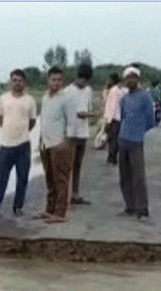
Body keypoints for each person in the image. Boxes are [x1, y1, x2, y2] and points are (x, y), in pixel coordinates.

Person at [0, 69, 37, 217]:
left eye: (20, 81)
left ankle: (18, 206)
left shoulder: (30, 100)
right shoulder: (3, 98)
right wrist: (9, 133)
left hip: (23, 145)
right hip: (6, 145)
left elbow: (32, 121)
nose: (17, 83)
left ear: (24, 83)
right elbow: (1, 119)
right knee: (0, 178)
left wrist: (21, 132)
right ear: (10, 82)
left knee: (22, 177)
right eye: (14, 80)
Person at [37, 66, 77, 224]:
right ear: (48, 80)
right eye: (53, 79)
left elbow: (72, 122)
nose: (56, 83)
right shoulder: (45, 97)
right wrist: (41, 141)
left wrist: (66, 143)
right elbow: (44, 121)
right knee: (49, 179)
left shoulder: (67, 98)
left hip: (60, 144)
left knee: (61, 179)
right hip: (46, 143)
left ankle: (60, 212)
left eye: (59, 80)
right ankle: (49, 209)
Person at [117, 66, 156, 220]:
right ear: (125, 80)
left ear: (138, 79)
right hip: (123, 140)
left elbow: (151, 120)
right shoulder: (124, 99)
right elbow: (123, 117)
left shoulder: (145, 97)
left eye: (133, 77)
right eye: (128, 78)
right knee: (124, 177)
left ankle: (142, 210)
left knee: (138, 177)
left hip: (136, 141)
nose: (130, 80)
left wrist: (139, 131)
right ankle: (130, 206)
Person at [64, 63, 94, 205]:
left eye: (86, 81)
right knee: (67, 165)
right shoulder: (67, 91)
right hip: (70, 133)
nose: (84, 83)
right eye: (82, 80)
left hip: (83, 132)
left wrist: (87, 115)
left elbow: (88, 108)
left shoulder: (88, 91)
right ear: (77, 77)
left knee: (78, 164)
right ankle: (63, 195)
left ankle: (75, 194)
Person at [102, 73, 126, 165]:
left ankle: (112, 158)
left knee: (112, 139)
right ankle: (113, 157)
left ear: (112, 80)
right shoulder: (119, 91)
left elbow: (112, 107)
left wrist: (108, 121)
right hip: (118, 118)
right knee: (115, 139)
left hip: (113, 118)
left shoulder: (113, 91)